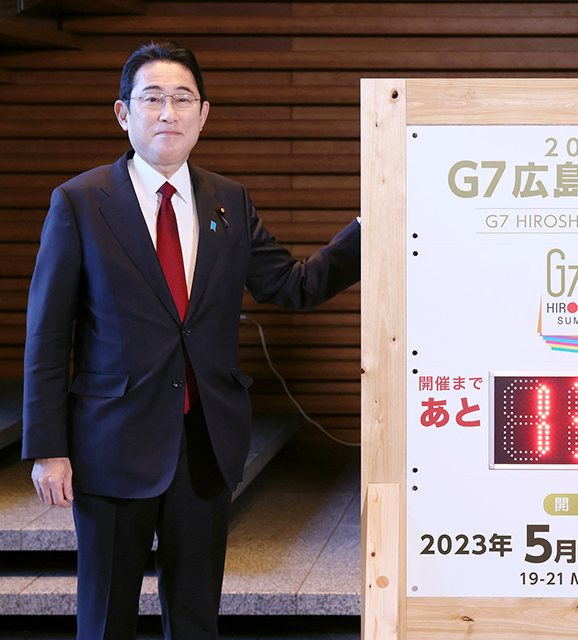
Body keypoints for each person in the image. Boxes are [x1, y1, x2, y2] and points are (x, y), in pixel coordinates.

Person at [21, 42, 360, 640]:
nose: (168, 113)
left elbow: (291, 285)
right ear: (124, 113)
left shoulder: (229, 201)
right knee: (105, 619)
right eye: (152, 99)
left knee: (198, 617)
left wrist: (367, 228)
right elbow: (48, 337)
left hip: (204, 440)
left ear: (204, 114)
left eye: (183, 100)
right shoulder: (79, 202)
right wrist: (48, 446)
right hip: (111, 445)